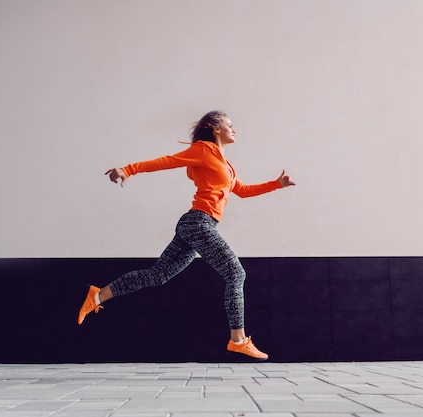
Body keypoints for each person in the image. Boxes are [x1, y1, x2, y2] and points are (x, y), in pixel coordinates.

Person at [77, 110, 296, 360]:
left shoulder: (226, 166)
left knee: (158, 275)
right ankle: (238, 339)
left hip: (197, 225)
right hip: (198, 223)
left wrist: (276, 185)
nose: (234, 130)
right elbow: (165, 161)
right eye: (230, 125)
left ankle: (98, 294)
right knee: (236, 273)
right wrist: (128, 169)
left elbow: (243, 191)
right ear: (215, 127)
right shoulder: (203, 150)